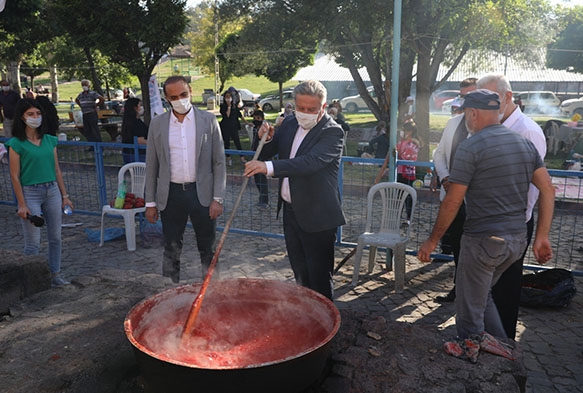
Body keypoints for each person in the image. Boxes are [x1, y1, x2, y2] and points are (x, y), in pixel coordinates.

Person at [417, 89, 555, 342]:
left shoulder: (471, 147)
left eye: (464, 113)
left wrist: (432, 240)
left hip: (483, 241)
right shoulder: (523, 143)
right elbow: (547, 189)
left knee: (469, 314)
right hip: (516, 240)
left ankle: (476, 366)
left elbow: (453, 201)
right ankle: (505, 350)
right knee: (482, 295)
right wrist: (542, 236)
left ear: (472, 113)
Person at [243, 80, 346, 300]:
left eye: (312, 109)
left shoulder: (332, 133)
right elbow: (263, 154)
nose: (306, 113)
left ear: (324, 107)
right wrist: (265, 138)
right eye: (301, 108)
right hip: (291, 212)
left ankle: (326, 327)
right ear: (294, 104)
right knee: (300, 275)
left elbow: (308, 163)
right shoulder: (289, 124)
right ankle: (304, 320)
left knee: (319, 280)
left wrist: (268, 168)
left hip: (318, 218)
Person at [477, 74, 547, 340]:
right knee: (485, 289)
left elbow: (535, 189)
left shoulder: (527, 131)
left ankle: (504, 344)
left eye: (489, 99)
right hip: (488, 222)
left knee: (504, 290)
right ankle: (485, 337)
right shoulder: (490, 126)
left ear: (507, 97)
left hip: (511, 226)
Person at [144, 76, 226, 284]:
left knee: (207, 247)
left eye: (183, 94)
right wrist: (150, 202)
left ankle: (211, 291)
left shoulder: (208, 121)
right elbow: (152, 165)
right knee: (171, 246)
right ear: (166, 98)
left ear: (190, 91)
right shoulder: (158, 124)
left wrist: (218, 198)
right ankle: (168, 291)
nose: (180, 100)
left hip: (202, 193)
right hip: (171, 194)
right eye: (174, 97)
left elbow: (219, 162)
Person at [5, 98, 73, 287]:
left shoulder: (49, 140)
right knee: (33, 241)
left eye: (38, 114)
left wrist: (65, 196)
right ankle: (28, 280)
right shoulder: (16, 144)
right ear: (22, 117)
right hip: (30, 192)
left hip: (51, 189)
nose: (35, 118)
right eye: (30, 114)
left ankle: (55, 274)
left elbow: (57, 169)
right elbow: (15, 176)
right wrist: (22, 204)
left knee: (56, 237)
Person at [431, 77, 477, 303]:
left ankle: (474, 294)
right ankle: (458, 290)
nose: (466, 100)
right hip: (452, 197)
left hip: (476, 202)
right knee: (457, 244)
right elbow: (439, 153)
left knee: (476, 249)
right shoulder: (453, 123)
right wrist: (445, 177)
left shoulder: (488, 126)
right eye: (463, 96)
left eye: (471, 95)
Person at [396, 120, 420, 223]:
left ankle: (408, 217)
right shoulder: (402, 142)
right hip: (400, 171)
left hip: (408, 172)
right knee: (399, 195)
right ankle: (398, 215)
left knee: (408, 196)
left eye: (405, 130)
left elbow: (409, 157)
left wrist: (398, 154)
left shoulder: (414, 143)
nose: (403, 132)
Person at [219, 89, 249, 166]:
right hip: (226, 126)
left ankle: (242, 158)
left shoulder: (235, 106)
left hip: (234, 126)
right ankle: (228, 158)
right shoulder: (223, 107)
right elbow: (227, 116)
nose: (228, 98)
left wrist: (247, 122)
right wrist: (228, 107)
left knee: (237, 142)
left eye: (229, 97)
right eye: (226, 97)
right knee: (227, 142)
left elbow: (240, 115)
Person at [249, 109, 272, 208]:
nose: (255, 120)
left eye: (258, 118)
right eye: (254, 118)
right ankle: (261, 198)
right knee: (257, 179)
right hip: (255, 155)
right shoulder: (254, 128)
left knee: (262, 180)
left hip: (262, 156)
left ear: (262, 119)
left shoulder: (264, 129)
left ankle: (264, 200)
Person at [121, 98, 148, 164]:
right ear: (135, 108)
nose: (141, 107)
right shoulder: (136, 123)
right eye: (140, 105)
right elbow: (140, 140)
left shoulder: (127, 121)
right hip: (139, 154)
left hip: (128, 153)